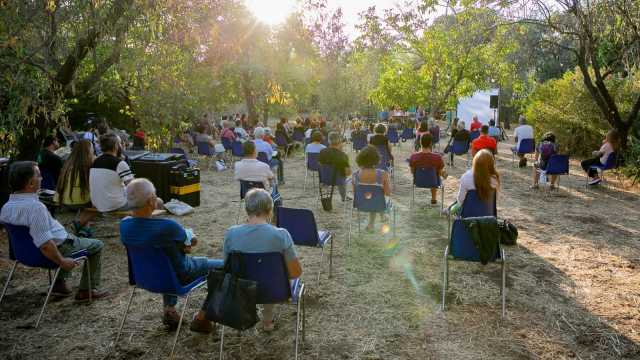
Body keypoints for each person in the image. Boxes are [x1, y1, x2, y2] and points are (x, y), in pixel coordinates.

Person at [119, 179, 223, 332]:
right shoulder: (168, 227)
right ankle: (203, 318)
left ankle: (169, 309)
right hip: (180, 276)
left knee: (165, 262)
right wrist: (189, 242)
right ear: (152, 201)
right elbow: (189, 245)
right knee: (226, 266)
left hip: (144, 277)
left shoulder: (124, 225)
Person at [0, 161, 108, 300]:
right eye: (38, 175)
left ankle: (59, 284)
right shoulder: (35, 208)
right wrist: (63, 262)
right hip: (51, 253)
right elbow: (45, 245)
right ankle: (86, 290)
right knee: (97, 245)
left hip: (23, 254)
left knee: (71, 232)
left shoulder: (6, 208)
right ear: (30, 184)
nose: (42, 178)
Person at [222, 188, 302, 331]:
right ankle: (267, 320)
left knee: (259, 275)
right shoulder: (281, 235)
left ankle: (255, 317)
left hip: (241, 289)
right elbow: (295, 273)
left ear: (247, 209)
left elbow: (227, 268)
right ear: (270, 209)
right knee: (269, 275)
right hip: (276, 290)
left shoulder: (231, 233)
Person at [55, 140, 97, 236]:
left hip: (64, 202)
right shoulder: (88, 165)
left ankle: (84, 228)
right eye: (92, 150)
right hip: (80, 203)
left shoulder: (67, 164)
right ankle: (78, 225)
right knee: (99, 206)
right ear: (88, 151)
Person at [449, 149, 500, 214]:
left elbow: (460, 200)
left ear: (475, 161)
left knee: (455, 208)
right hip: (487, 216)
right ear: (491, 163)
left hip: (468, 216)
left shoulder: (466, 177)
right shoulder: (494, 179)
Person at [354, 145, 391, 231]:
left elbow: (355, 192)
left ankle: (371, 224)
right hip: (378, 204)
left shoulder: (355, 174)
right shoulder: (382, 174)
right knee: (377, 196)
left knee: (372, 195)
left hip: (361, 204)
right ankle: (382, 215)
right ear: (376, 159)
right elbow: (388, 193)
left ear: (360, 159)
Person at [408, 134, 446, 205]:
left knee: (434, 173)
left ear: (420, 142)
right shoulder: (437, 157)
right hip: (433, 182)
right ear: (431, 143)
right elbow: (440, 173)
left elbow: (412, 171)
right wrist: (443, 174)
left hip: (418, 182)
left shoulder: (413, 156)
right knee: (435, 174)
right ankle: (434, 198)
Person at [318, 132, 352, 201]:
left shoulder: (322, 151)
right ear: (339, 142)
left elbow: (320, 165)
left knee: (341, 174)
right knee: (346, 175)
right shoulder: (342, 155)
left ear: (329, 141)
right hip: (338, 181)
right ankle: (344, 197)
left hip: (324, 179)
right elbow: (348, 173)